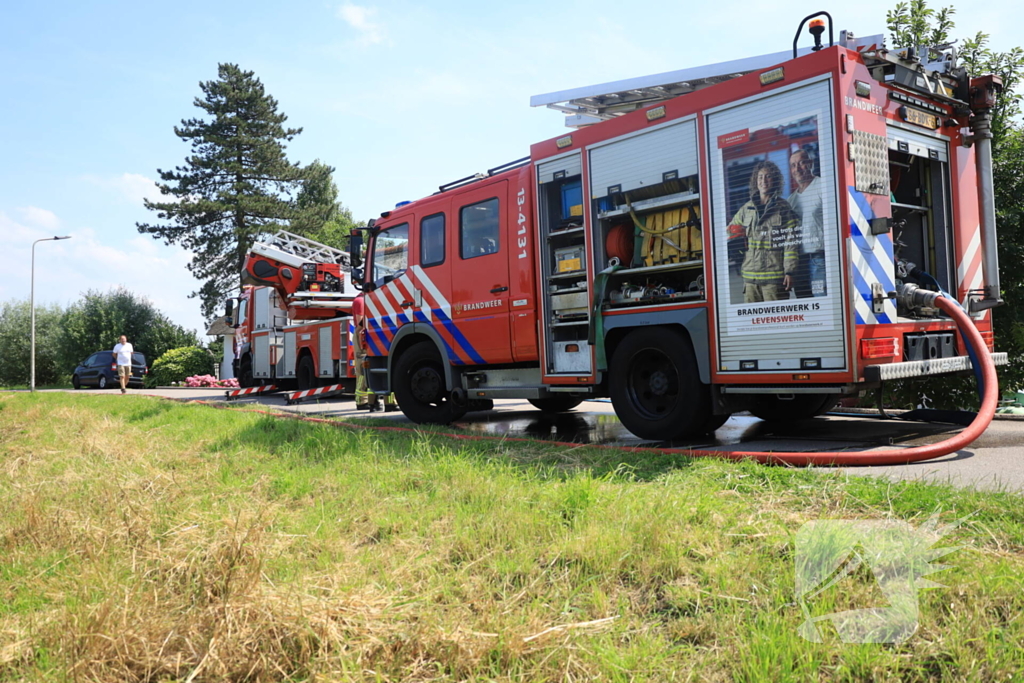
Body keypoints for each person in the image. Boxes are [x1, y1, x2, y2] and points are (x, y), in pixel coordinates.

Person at [727, 160, 801, 303]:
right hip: (750, 279)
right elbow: (730, 233)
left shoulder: (783, 208)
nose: (764, 181)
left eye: (768, 176)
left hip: (774, 280)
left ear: (775, 180)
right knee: (753, 322)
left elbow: (791, 243)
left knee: (777, 321)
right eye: (760, 177)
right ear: (756, 181)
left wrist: (790, 271)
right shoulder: (746, 209)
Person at [788, 149, 826, 297]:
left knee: (821, 302)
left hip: (819, 260)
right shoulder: (791, 200)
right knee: (806, 305)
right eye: (793, 165)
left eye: (801, 163)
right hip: (799, 263)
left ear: (810, 163)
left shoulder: (823, 187)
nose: (797, 169)